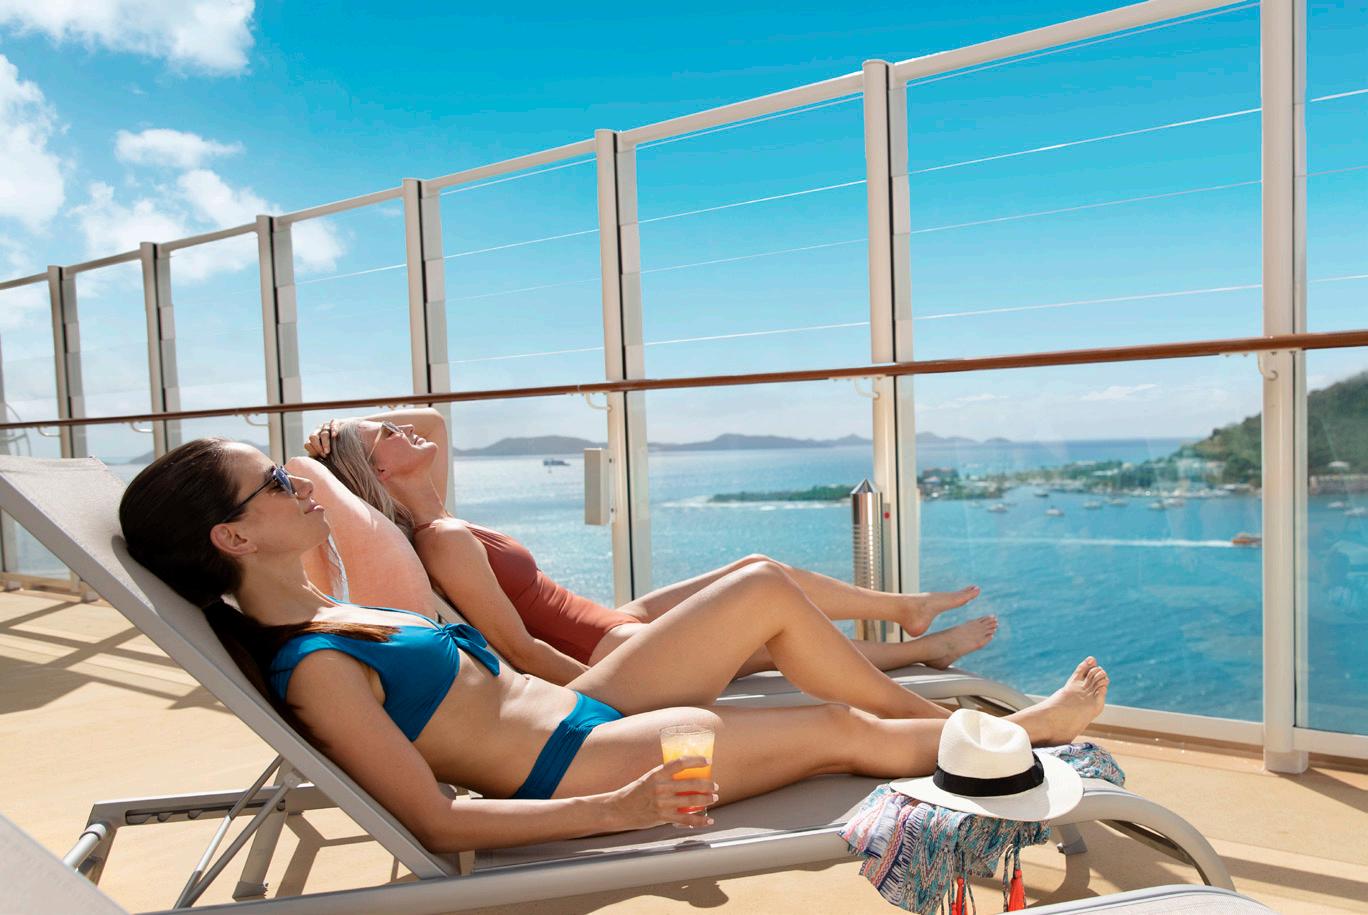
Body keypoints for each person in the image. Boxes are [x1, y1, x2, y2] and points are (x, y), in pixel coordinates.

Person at [118, 438, 1109, 852]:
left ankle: (975, 727)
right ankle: (1021, 734)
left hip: (588, 706)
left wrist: (347, 481)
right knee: (835, 728)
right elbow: (435, 821)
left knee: (761, 586)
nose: (299, 486)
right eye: (275, 486)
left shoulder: (331, 606)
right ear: (232, 539)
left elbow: (350, 497)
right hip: (579, 761)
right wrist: (617, 808)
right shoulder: (320, 669)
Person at [294, 408, 997, 686]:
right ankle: (922, 648)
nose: (404, 428)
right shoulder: (442, 538)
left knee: (760, 568)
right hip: (607, 652)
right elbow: (519, 650)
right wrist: (600, 698)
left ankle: (905, 612)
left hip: (610, 620)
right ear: (379, 473)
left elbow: (432, 422)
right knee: (773, 631)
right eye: (385, 435)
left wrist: (346, 438)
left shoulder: (439, 511)